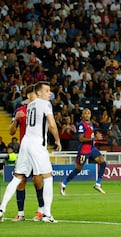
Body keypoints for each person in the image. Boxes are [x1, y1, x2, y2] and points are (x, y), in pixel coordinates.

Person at [0, 81, 62, 223]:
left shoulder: (30, 106)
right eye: (47, 91)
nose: (50, 93)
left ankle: (1, 208)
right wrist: (57, 140)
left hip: (25, 143)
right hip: (36, 144)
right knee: (48, 177)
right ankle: (47, 214)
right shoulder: (44, 104)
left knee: (17, 177)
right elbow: (52, 124)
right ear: (38, 93)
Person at [7, 84, 45, 222]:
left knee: (37, 181)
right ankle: (20, 213)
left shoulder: (41, 110)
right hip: (24, 151)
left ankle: (41, 210)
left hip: (37, 149)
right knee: (21, 181)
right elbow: (11, 132)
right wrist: (16, 118)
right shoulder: (20, 110)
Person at [60, 108, 107, 196]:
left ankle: (98, 184)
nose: (87, 115)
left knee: (103, 162)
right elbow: (81, 139)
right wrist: (93, 139)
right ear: (82, 115)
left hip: (92, 149)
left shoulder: (91, 123)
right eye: (85, 113)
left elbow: (91, 133)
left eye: (88, 113)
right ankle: (63, 184)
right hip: (84, 150)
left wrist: (95, 136)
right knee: (78, 169)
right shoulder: (81, 125)